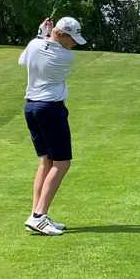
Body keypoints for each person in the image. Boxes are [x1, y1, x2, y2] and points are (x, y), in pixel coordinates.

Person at [18, 16, 86, 235]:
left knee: (46, 161)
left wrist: (41, 34)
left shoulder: (34, 45)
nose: (74, 44)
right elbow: (47, 47)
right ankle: (40, 216)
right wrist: (45, 35)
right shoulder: (65, 56)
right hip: (51, 110)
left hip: (31, 108)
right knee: (62, 163)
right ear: (61, 34)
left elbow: (23, 60)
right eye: (71, 39)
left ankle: (35, 214)